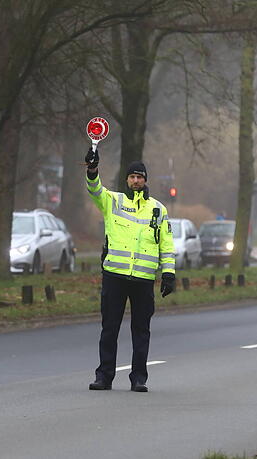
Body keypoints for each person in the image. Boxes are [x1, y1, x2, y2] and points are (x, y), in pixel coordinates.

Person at [84, 147, 176, 392]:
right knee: (109, 328)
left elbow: (166, 244)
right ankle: (104, 376)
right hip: (115, 276)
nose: (136, 181)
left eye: (140, 177)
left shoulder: (158, 209)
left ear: (146, 180)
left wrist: (168, 273)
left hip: (144, 279)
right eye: (132, 177)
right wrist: (92, 169)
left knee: (141, 331)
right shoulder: (113, 202)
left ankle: (138, 378)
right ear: (127, 179)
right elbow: (94, 189)